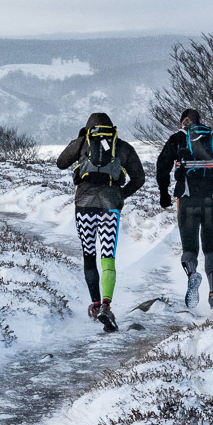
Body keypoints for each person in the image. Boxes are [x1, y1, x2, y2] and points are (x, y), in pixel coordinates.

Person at [56, 111, 145, 331]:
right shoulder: (122, 146)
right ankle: (106, 305)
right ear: (111, 128)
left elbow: (60, 163)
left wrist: (79, 141)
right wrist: (121, 195)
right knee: (108, 257)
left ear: (89, 128)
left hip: (84, 205)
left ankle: (95, 305)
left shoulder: (83, 142)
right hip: (110, 206)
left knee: (89, 255)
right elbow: (139, 178)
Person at [156, 109, 213, 310]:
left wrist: (164, 193)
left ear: (182, 123)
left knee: (189, 248)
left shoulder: (177, 140)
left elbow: (162, 166)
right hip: (212, 198)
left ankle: (192, 274)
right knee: (210, 247)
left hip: (186, 199)